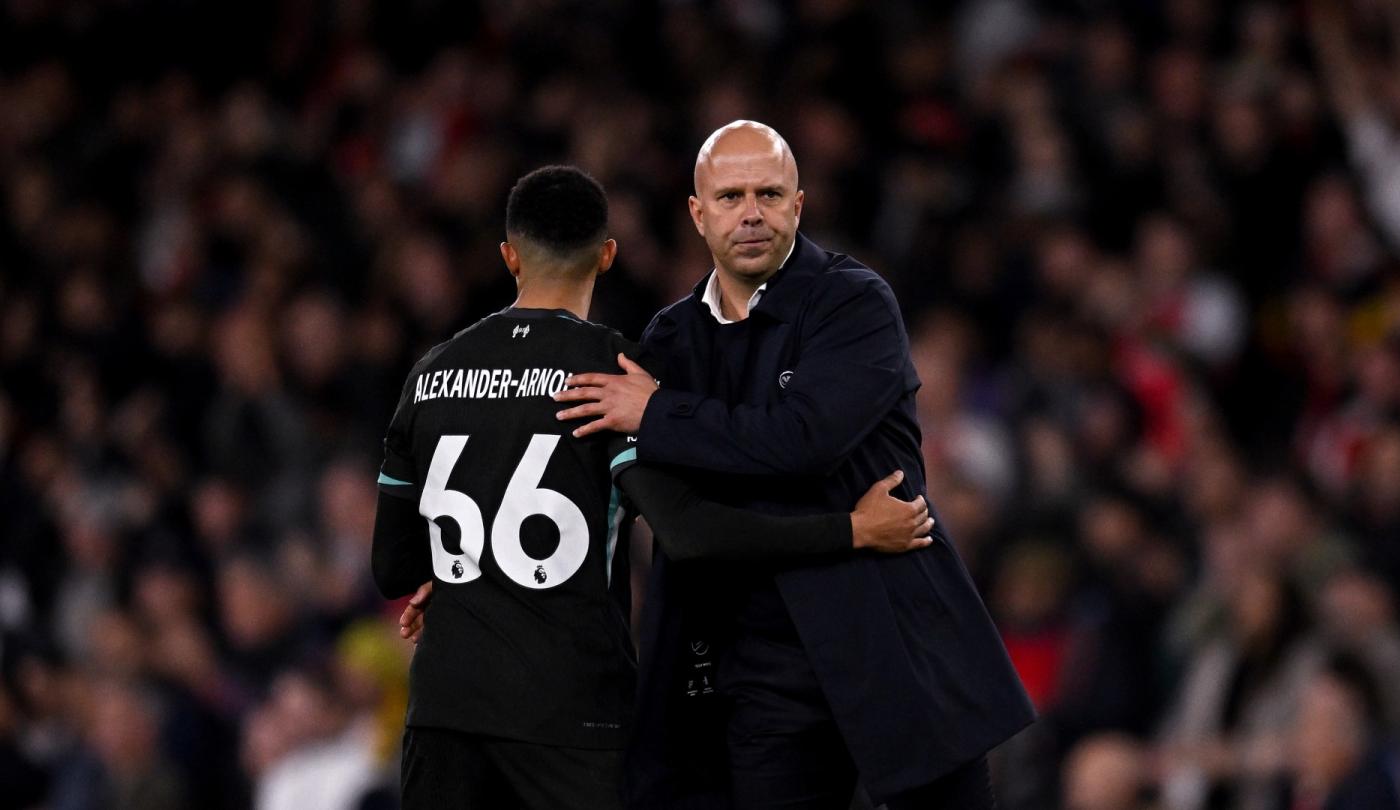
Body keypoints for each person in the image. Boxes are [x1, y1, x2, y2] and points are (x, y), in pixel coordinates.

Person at [370, 165, 935, 810]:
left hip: (442, 715)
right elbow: (692, 534)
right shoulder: (612, 376)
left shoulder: (430, 372)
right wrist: (850, 530)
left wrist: (462, 575)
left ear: (509, 256)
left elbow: (392, 568)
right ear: (607, 256)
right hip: (570, 715)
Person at [554, 122, 1035, 809]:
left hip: (891, 636)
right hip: (759, 665)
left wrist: (659, 414)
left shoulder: (854, 302)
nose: (751, 213)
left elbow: (803, 441)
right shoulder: (671, 338)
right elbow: (667, 509)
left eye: (770, 194)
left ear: (799, 204)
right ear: (698, 213)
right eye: (730, 197)